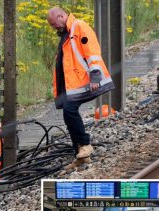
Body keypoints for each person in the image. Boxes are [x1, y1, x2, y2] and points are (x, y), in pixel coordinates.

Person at [46, 7, 114, 168]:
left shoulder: (79, 27)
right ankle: (80, 154)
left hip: (86, 81)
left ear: (62, 16)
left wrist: (95, 75)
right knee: (68, 113)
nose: (53, 27)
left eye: (54, 24)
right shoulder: (67, 33)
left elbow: (92, 51)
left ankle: (85, 145)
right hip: (74, 85)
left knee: (70, 110)